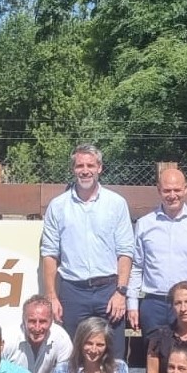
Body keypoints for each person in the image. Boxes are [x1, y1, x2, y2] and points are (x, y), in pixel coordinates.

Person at [39, 143, 134, 359]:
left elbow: (125, 251)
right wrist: (52, 296)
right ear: (73, 169)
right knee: (71, 355)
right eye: (80, 165)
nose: (85, 170)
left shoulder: (116, 203)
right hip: (73, 291)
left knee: (114, 356)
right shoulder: (58, 206)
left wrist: (121, 292)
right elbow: (50, 254)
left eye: (90, 165)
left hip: (109, 290)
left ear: (100, 168)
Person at [127, 168, 187, 337]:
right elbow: (136, 267)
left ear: (185, 189)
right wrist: (132, 304)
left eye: (177, 190)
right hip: (154, 304)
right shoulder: (144, 224)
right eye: (167, 190)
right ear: (159, 190)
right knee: (153, 351)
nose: (172, 195)